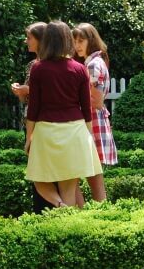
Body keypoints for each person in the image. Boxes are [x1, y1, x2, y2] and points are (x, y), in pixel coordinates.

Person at [24, 21, 102, 208]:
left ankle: (60, 207)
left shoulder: (38, 68)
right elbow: (86, 107)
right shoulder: (79, 68)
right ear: (67, 40)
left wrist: (28, 137)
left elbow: (33, 108)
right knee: (68, 188)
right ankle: (66, 221)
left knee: (39, 178)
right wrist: (89, 134)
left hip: (46, 132)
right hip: (75, 131)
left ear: (47, 41)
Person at [72, 23, 117, 202]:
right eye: (74, 41)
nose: (77, 45)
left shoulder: (92, 64)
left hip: (90, 121)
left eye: (81, 40)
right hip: (94, 120)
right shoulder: (95, 61)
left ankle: (85, 215)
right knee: (91, 173)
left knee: (77, 173)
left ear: (91, 40)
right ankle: (98, 214)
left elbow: (95, 101)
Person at [10, 21, 51, 213]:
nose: (26, 41)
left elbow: (48, 93)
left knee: (43, 170)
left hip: (42, 124)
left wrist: (27, 90)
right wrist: (23, 91)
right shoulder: (32, 64)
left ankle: (51, 208)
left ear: (41, 40)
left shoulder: (45, 65)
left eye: (29, 37)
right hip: (33, 122)